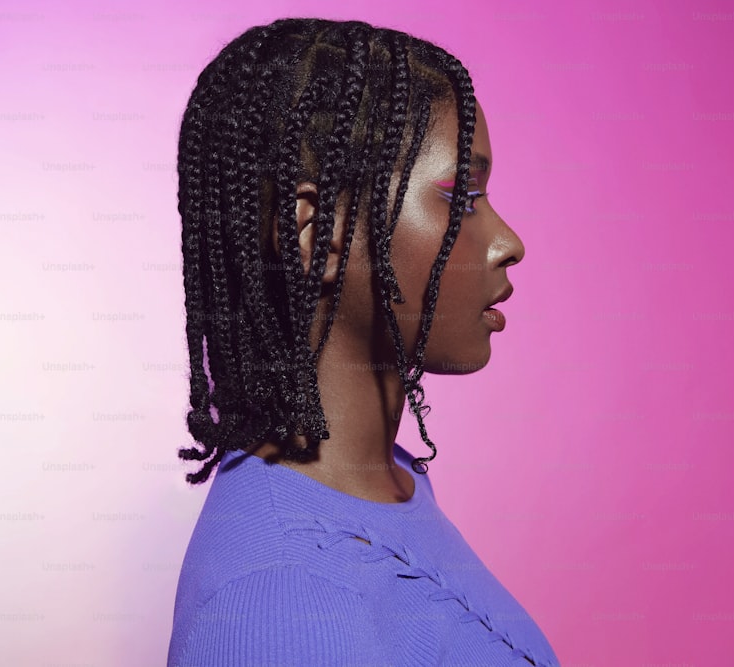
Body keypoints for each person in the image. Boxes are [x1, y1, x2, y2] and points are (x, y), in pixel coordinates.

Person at [168, 17, 561, 667]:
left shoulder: (390, 482)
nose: (506, 241)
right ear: (314, 232)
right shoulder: (278, 605)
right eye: (460, 197)